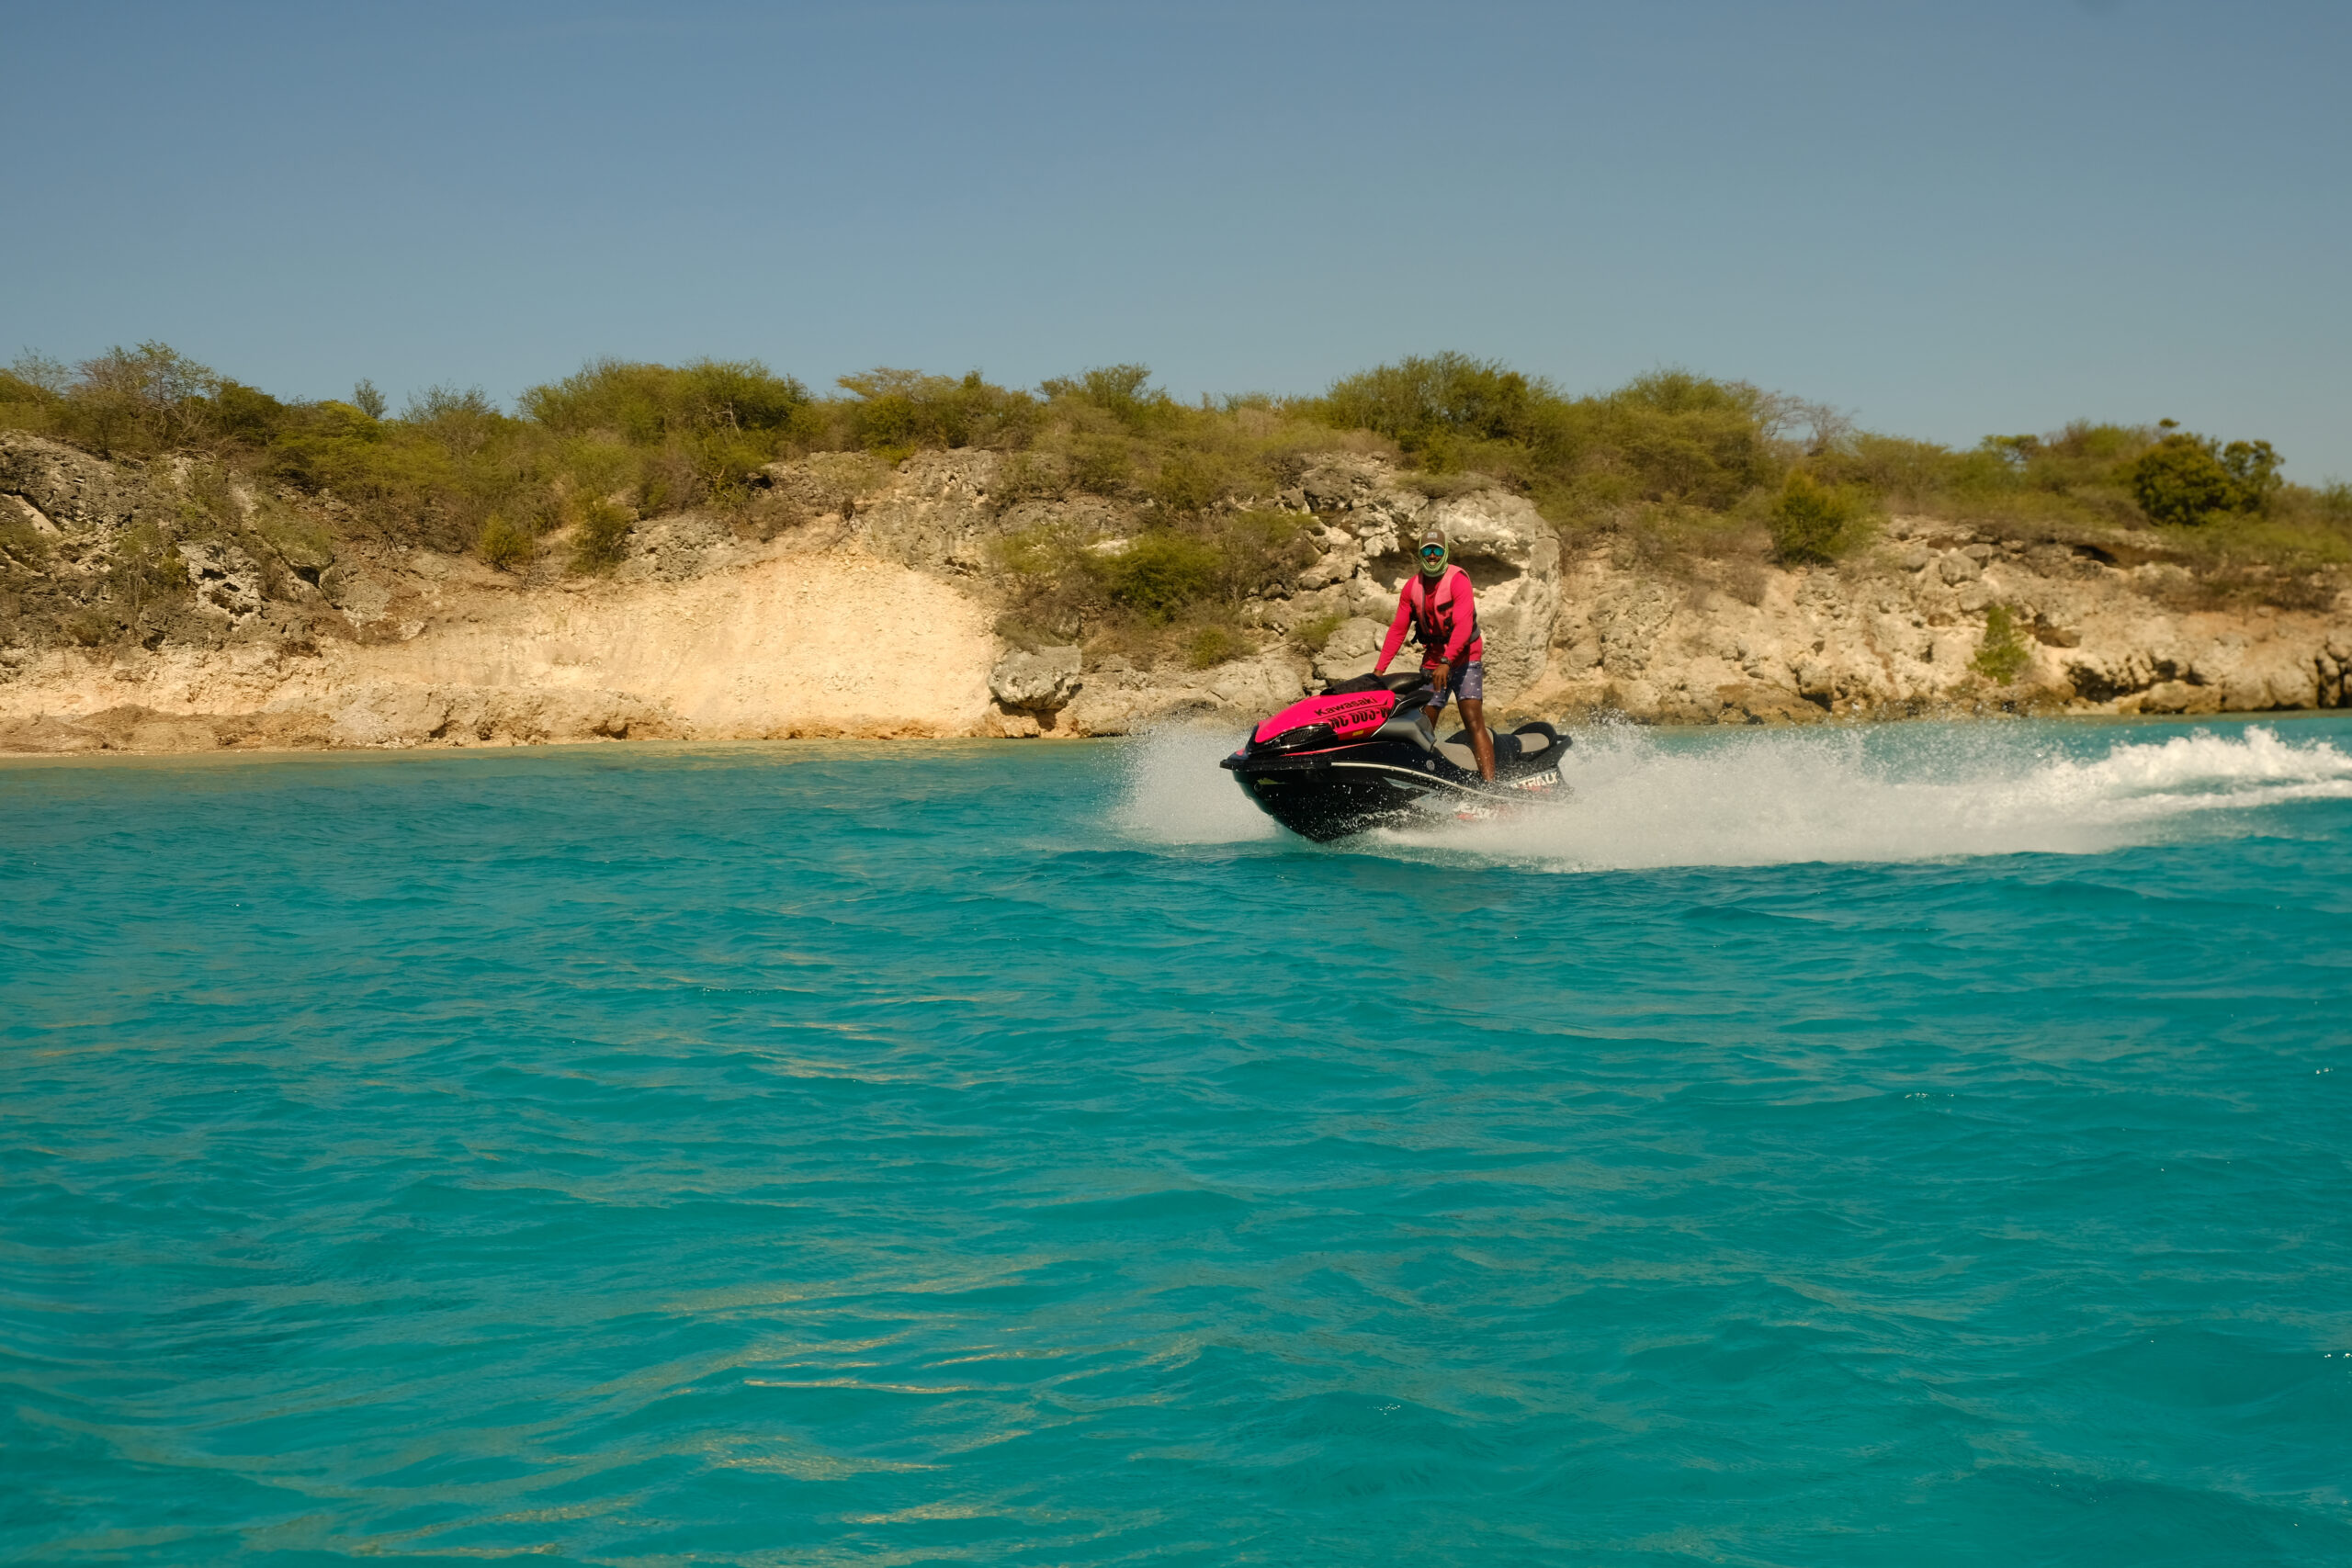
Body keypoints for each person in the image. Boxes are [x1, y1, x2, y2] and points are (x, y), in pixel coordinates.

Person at [1374, 526, 1496, 780]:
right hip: (1434, 659)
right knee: (1423, 724)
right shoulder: (1411, 588)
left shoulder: (1458, 580)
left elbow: (1463, 626)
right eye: (1427, 550)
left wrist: (1447, 662)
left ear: (1445, 553)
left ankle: (1490, 785)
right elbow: (1398, 629)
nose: (1432, 555)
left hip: (1465, 657)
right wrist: (1378, 671)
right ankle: (1426, 780)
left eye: (1437, 551)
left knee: (1472, 719)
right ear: (1420, 554)